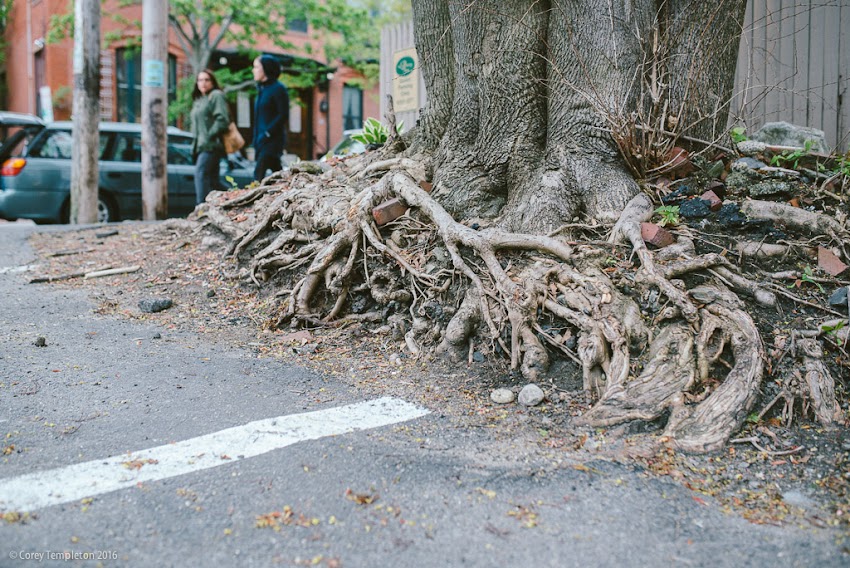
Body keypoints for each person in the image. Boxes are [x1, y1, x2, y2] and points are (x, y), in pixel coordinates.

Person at [190, 69, 230, 205]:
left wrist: (209, 136)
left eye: (207, 80)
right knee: (213, 181)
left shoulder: (216, 95)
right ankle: (236, 197)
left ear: (212, 82)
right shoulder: (199, 100)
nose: (203, 83)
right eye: (200, 80)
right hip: (200, 146)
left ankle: (200, 208)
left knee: (200, 174)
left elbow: (222, 120)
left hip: (211, 145)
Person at [252, 55, 289, 181]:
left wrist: (268, 133)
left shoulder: (278, 89)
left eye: (256, 67)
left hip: (272, 141)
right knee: (277, 173)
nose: (253, 70)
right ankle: (287, 192)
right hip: (261, 141)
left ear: (266, 69)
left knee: (258, 174)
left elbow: (283, 115)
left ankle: (253, 198)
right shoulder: (262, 89)